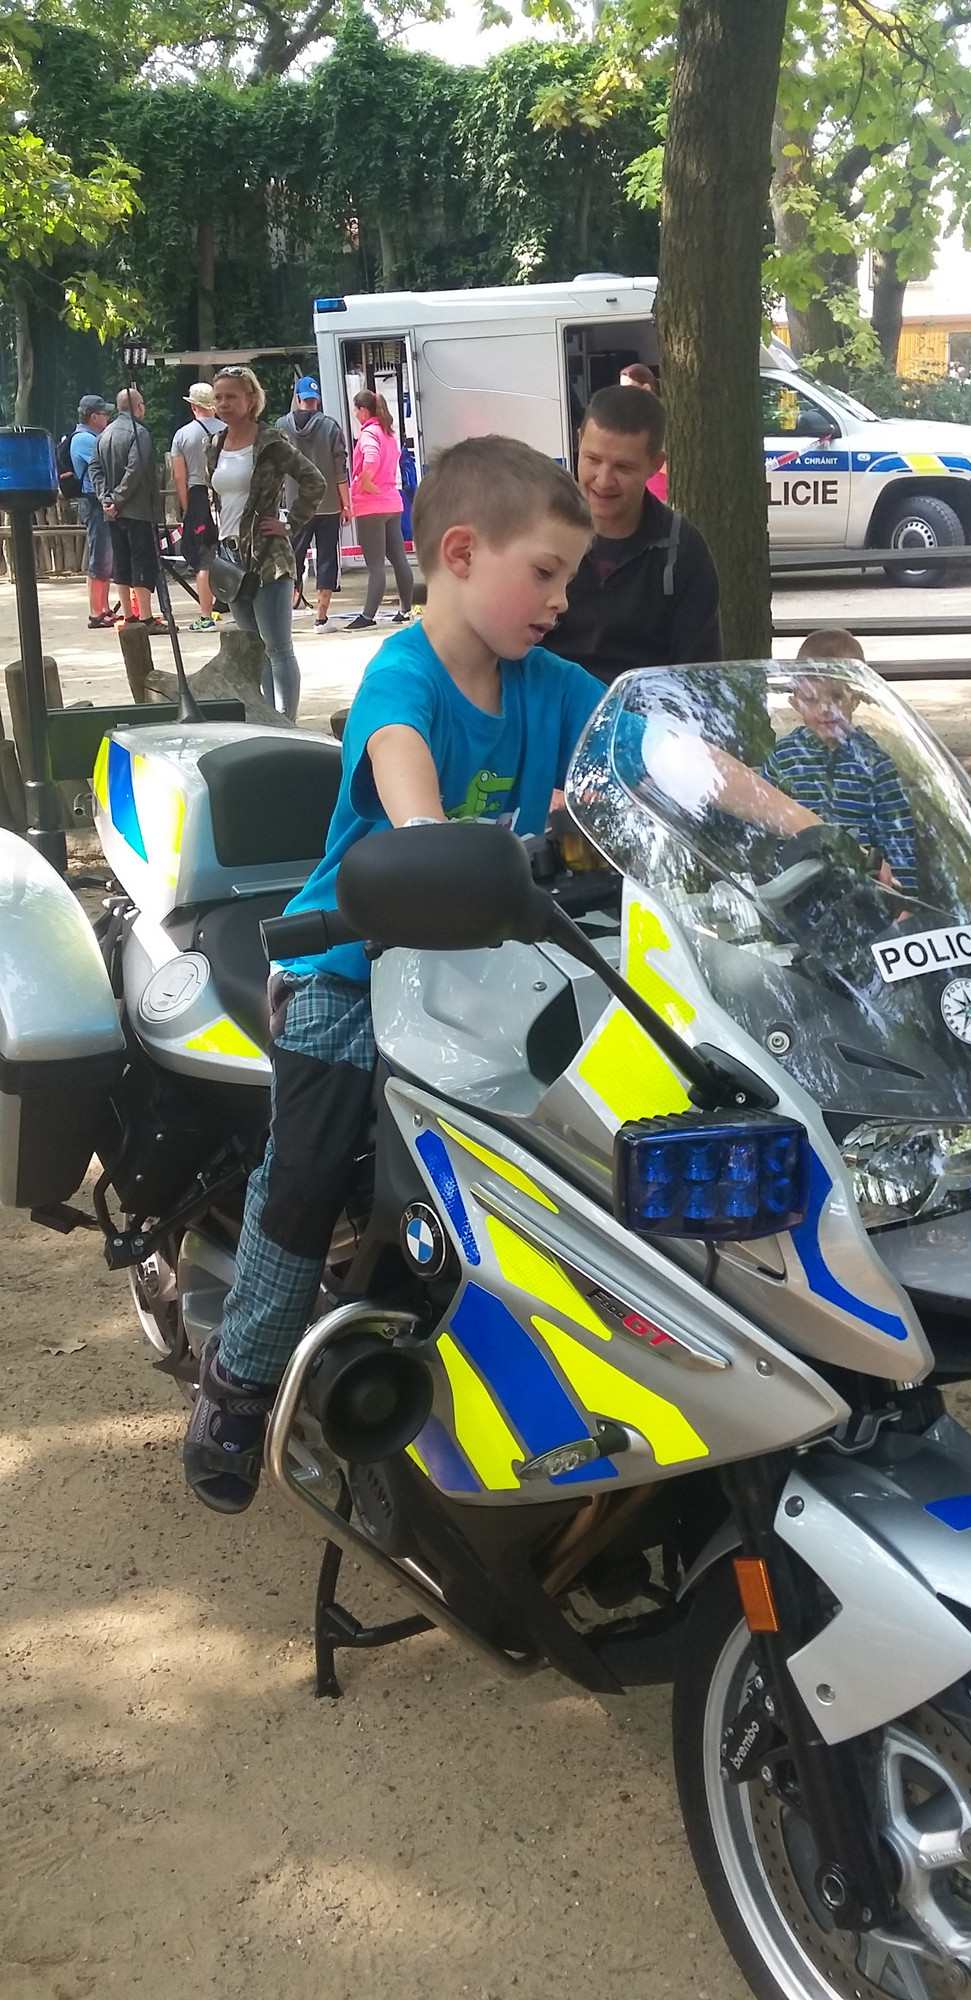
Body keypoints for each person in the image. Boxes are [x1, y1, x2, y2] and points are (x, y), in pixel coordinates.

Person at [181, 435, 602, 1510]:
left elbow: (658, 759)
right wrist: (437, 844)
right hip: (350, 961)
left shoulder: (554, 687)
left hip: (488, 969)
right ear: (461, 553)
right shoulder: (401, 677)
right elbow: (410, 794)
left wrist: (796, 827)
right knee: (312, 1164)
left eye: (570, 576)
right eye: (545, 572)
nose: (562, 599)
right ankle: (240, 1378)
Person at [544, 383, 721, 686]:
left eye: (623, 467)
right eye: (593, 459)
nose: (603, 480)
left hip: (645, 710)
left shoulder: (681, 549)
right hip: (549, 708)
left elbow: (699, 676)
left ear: (655, 465)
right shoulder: (538, 533)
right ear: (578, 441)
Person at [203, 366, 325, 720]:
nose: (224, 404)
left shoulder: (270, 442)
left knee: (278, 649)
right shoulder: (214, 445)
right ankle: (269, 720)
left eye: (231, 397)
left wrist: (290, 523)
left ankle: (286, 722)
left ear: (251, 400)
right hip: (230, 559)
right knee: (253, 648)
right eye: (218, 397)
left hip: (268, 556)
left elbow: (314, 481)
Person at [762, 628, 917, 891]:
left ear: (855, 699)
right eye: (812, 698)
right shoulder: (783, 757)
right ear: (795, 701)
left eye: (836, 696)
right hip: (793, 888)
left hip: (860, 890)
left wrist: (904, 899)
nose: (825, 708)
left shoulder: (875, 763)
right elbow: (762, 823)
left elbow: (898, 837)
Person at [89, 389, 166, 633]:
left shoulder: (103, 435)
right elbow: (136, 469)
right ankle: (146, 617)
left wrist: (106, 499)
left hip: (112, 513)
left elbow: (94, 469)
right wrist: (119, 499)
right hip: (138, 509)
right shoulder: (139, 432)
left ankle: (129, 616)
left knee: (121, 562)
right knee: (142, 561)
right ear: (139, 406)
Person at [276, 374, 350, 630]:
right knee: (327, 559)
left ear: (298, 398)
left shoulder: (280, 427)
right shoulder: (331, 427)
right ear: (316, 400)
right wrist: (346, 504)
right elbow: (340, 470)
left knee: (292, 559)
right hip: (328, 505)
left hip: (297, 506)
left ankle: (283, 616)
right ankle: (321, 617)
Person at [348, 390, 415, 630]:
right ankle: (405, 610)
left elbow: (371, 457)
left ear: (364, 411)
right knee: (399, 559)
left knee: (375, 566)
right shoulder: (388, 433)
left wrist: (366, 480)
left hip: (371, 506)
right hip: (392, 503)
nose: (355, 415)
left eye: (356, 410)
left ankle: (368, 616)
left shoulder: (368, 434)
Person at [170, 382, 225, 632]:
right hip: (227, 493)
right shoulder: (228, 430)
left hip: (199, 496)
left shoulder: (182, 435)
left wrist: (186, 507)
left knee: (204, 559)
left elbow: (179, 475)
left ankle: (205, 615)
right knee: (233, 552)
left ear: (193, 406)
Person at [68, 395, 115, 628]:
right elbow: (106, 466)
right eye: (104, 414)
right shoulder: (86, 440)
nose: (107, 418)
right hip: (93, 502)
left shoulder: (90, 437)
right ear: (94, 416)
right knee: (99, 557)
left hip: (97, 502)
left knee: (106, 557)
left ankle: (104, 608)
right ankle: (96, 612)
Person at [619, 363, 669, 502]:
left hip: (660, 490)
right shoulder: (631, 418)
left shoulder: (661, 417)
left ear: (646, 388)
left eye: (629, 389)